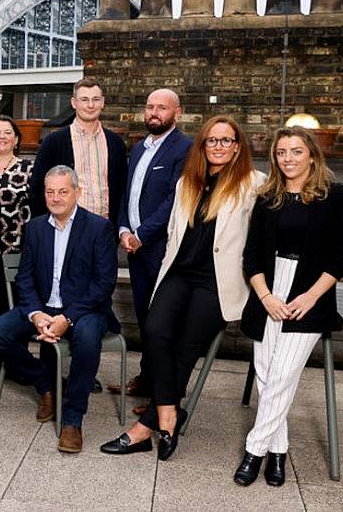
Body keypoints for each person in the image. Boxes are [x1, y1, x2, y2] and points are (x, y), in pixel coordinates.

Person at [101, 115, 264, 461]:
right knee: (156, 331)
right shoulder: (187, 182)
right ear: (202, 146)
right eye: (211, 140)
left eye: (226, 140)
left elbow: (266, 238)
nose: (218, 146)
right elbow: (174, 232)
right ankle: (169, 413)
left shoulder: (253, 184)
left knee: (184, 349)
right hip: (179, 273)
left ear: (237, 147)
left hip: (217, 282)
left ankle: (148, 426)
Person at [232, 127, 343, 487]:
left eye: (296, 151)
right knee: (267, 373)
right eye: (281, 152)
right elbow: (251, 255)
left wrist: (311, 296)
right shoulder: (268, 196)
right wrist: (266, 296)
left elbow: (342, 257)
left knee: (282, 375)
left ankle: (255, 450)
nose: (288, 158)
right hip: (268, 290)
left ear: (312, 156)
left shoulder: (336, 196)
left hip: (309, 293)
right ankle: (279, 451)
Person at [0, 165, 118, 453]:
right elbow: (25, 277)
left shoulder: (99, 228)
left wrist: (67, 318)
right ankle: (46, 384)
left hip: (85, 310)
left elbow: (103, 285)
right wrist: (35, 314)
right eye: (50, 192)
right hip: (43, 306)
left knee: (87, 338)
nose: (56, 198)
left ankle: (72, 419)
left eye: (62, 191)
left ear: (77, 193)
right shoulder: (35, 228)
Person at [108, 89, 192, 403]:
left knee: (163, 322)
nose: (154, 113)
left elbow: (175, 199)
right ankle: (148, 380)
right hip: (135, 247)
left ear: (177, 112)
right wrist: (123, 229)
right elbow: (126, 193)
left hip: (161, 249)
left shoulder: (184, 149)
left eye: (162, 108)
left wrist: (142, 234)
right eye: (150, 107)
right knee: (145, 317)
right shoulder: (139, 148)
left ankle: (167, 394)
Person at [28, 78, 127, 226]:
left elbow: (122, 189)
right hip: (64, 229)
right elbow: (37, 189)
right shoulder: (53, 142)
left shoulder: (115, 143)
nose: (90, 105)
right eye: (84, 99)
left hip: (105, 230)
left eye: (95, 99)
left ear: (102, 102)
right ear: (74, 103)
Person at [0, 114, 34, 324]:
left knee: (17, 301)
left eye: (8, 132)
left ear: (17, 139)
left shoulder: (29, 168)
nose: (2, 137)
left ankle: (13, 350)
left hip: (18, 244)